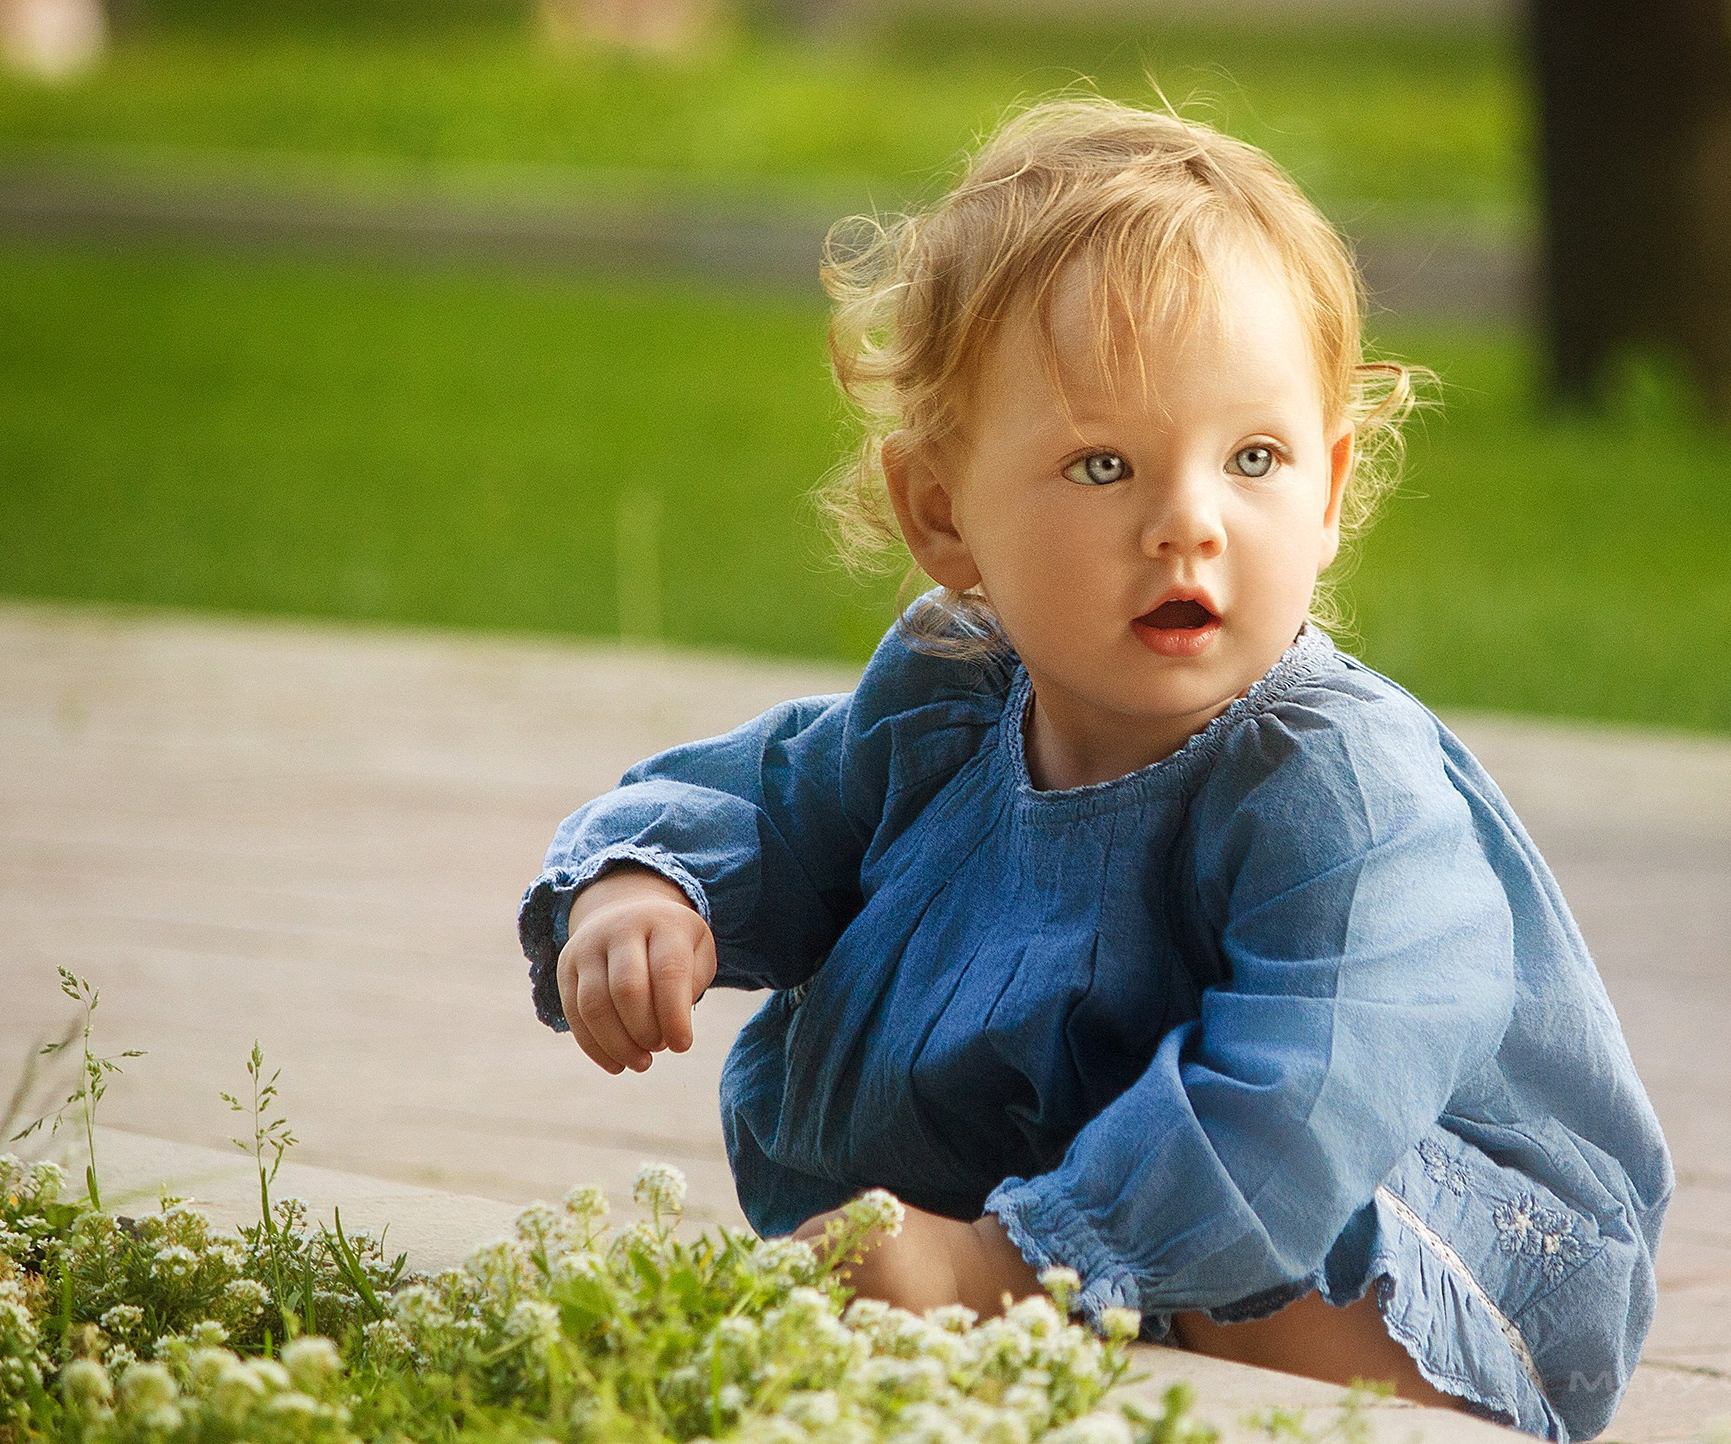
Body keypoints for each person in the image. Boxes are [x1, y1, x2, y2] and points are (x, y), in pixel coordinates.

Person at [517, 95, 1671, 1442]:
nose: (1188, 523)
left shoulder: (1336, 783)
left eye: (1253, 459)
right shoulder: (948, 699)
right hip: (1073, 1207)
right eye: (1104, 464)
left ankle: (1134, 1325)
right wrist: (649, 887)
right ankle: (1062, 1305)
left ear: (1334, 484)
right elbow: (776, 791)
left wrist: (1005, 1270)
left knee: (1293, 1277)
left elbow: (1308, 1099)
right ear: (944, 513)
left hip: (1390, 1208)